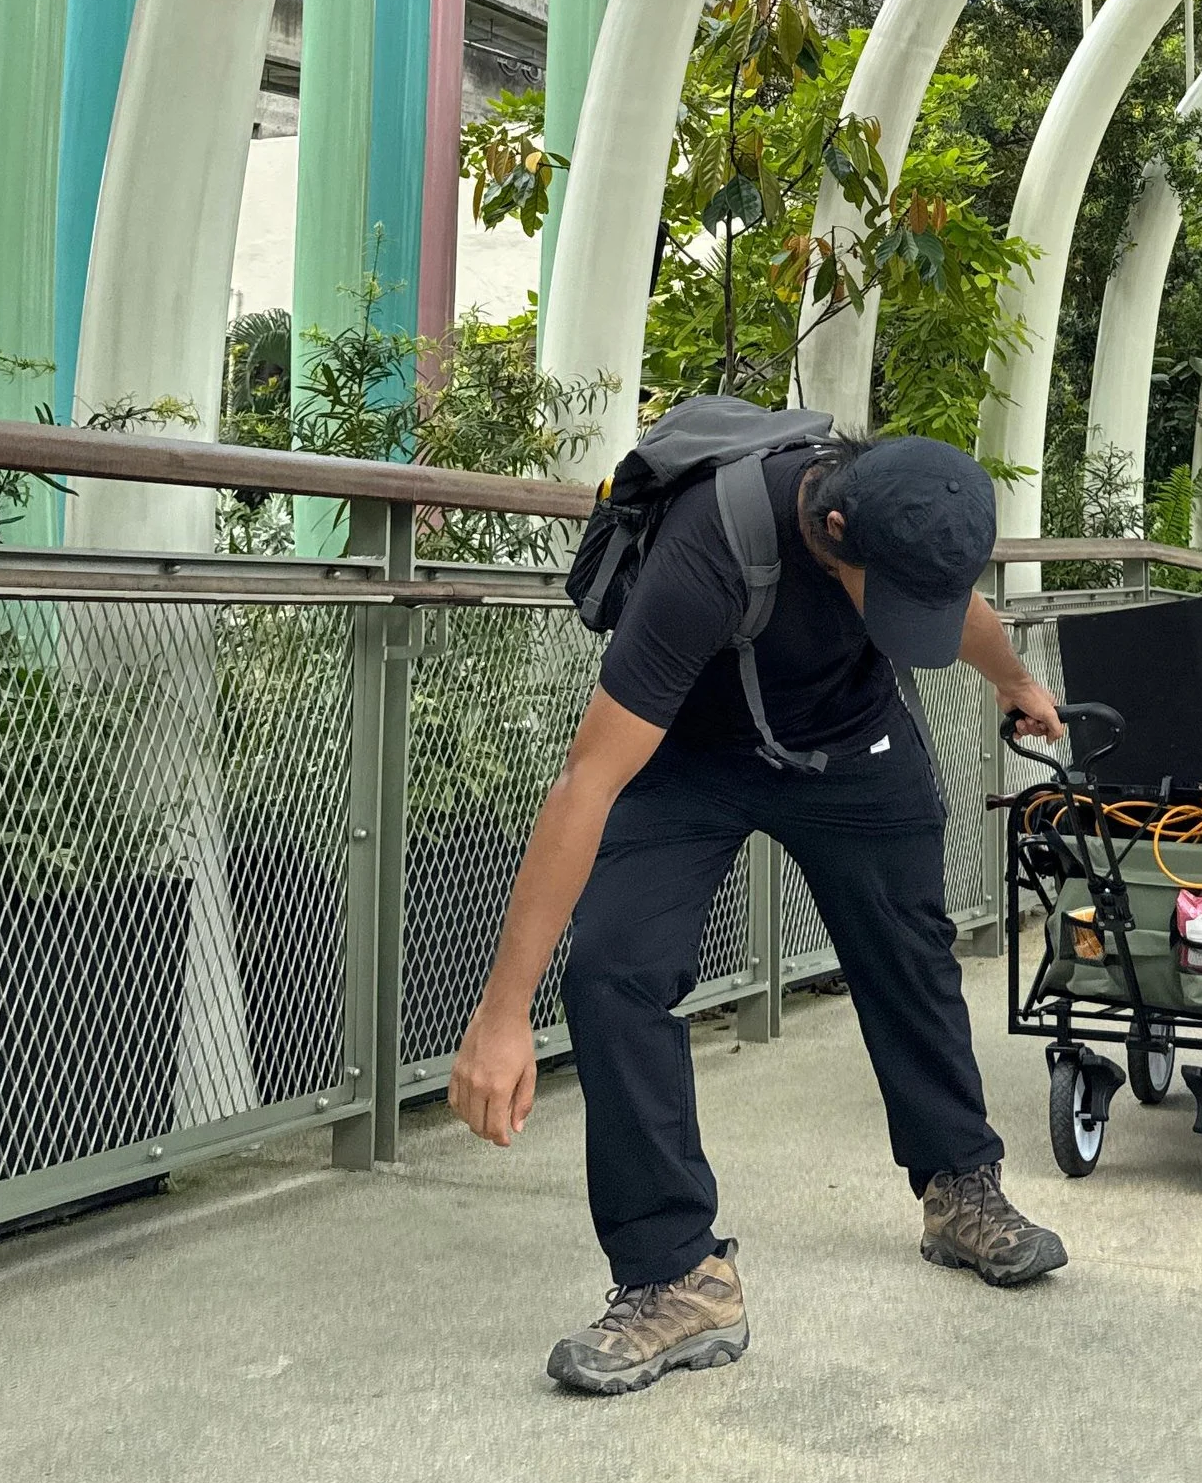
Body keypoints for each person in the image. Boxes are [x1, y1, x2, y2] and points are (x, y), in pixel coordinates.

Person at [447, 432, 1072, 1395]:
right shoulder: (709, 553)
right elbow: (587, 781)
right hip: (690, 755)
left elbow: (966, 613)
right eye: (889, 596)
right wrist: (502, 1012)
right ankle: (675, 1275)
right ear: (831, 529)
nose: (910, 620)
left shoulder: (893, 515)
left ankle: (961, 1190)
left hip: (853, 743)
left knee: (909, 949)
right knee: (614, 969)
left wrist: (1017, 680)